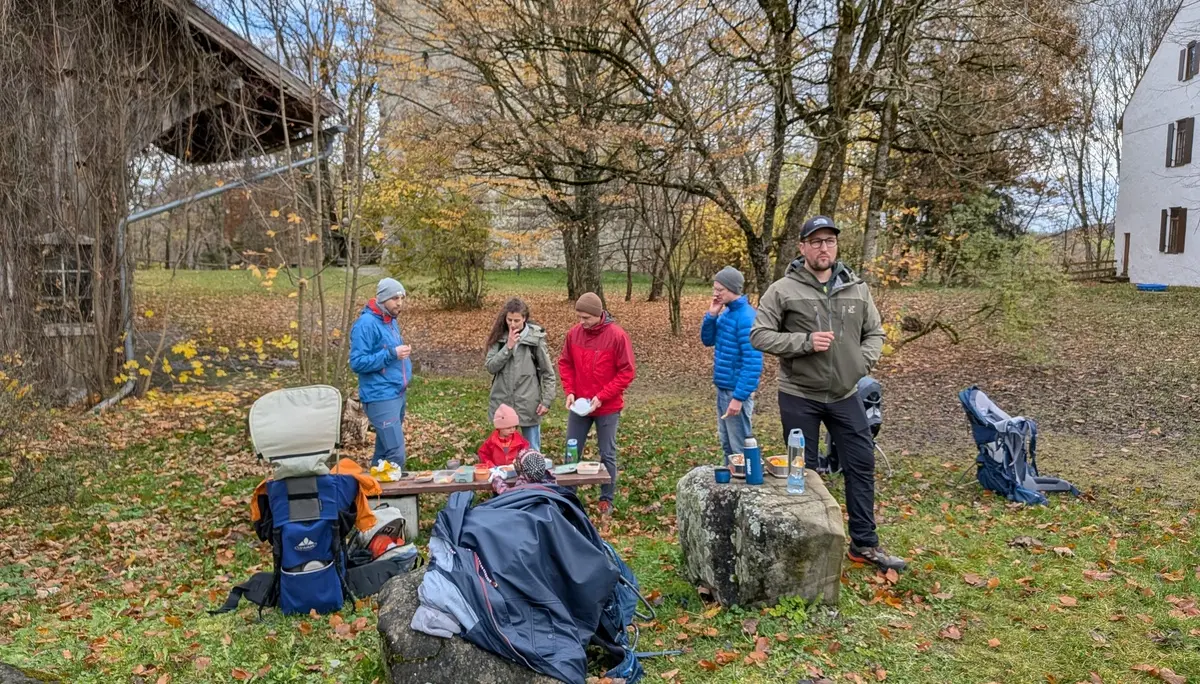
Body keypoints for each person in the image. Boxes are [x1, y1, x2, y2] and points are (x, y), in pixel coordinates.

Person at [749, 216, 906, 573]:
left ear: (836, 246)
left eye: (830, 241)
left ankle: (864, 544)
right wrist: (804, 343)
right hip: (799, 394)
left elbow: (875, 333)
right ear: (802, 247)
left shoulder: (857, 288)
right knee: (804, 472)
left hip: (844, 394)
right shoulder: (783, 290)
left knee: (861, 465)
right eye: (816, 241)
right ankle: (809, 545)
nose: (824, 248)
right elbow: (759, 335)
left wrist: (858, 365)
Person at [558, 292, 636, 516]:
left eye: (586, 318)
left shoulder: (617, 336)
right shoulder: (574, 334)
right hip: (580, 405)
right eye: (579, 317)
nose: (582, 322)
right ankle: (568, 496)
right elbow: (565, 364)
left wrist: (602, 396)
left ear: (598, 314)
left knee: (607, 453)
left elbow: (626, 372)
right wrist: (570, 391)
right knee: (571, 450)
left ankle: (606, 498)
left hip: (607, 406)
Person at [700, 266, 763, 463]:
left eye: (720, 290)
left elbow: (753, 363)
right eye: (714, 289)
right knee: (727, 444)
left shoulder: (746, 317)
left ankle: (746, 488)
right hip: (723, 388)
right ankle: (730, 485)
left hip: (736, 392)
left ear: (733, 289)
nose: (716, 294)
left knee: (740, 449)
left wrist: (738, 398)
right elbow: (707, 340)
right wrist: (711, 315)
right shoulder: (726, 313)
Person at [349, 277, 413, 467]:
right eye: (395, 298)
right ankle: (397, 494)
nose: (399, 303)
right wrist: (392, 354)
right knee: (395, 454)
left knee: (384, 453)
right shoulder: (365, 324)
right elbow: (357, 362)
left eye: (401, 298)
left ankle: (372, 493)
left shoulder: (390, 320)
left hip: (396, 393)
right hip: (379, 396)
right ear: (383, 299)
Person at [484, 298, 557, 451]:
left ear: (524, 318)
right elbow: (491, 367)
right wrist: (508, 347)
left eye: (517, 320)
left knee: (531, 451)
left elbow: (548, 373)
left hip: (528, 404)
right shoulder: (499, 338)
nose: (512, 324)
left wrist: (547, 400)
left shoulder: (535, 340)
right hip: (503, 403)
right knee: (503, 452)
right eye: (509, 319)